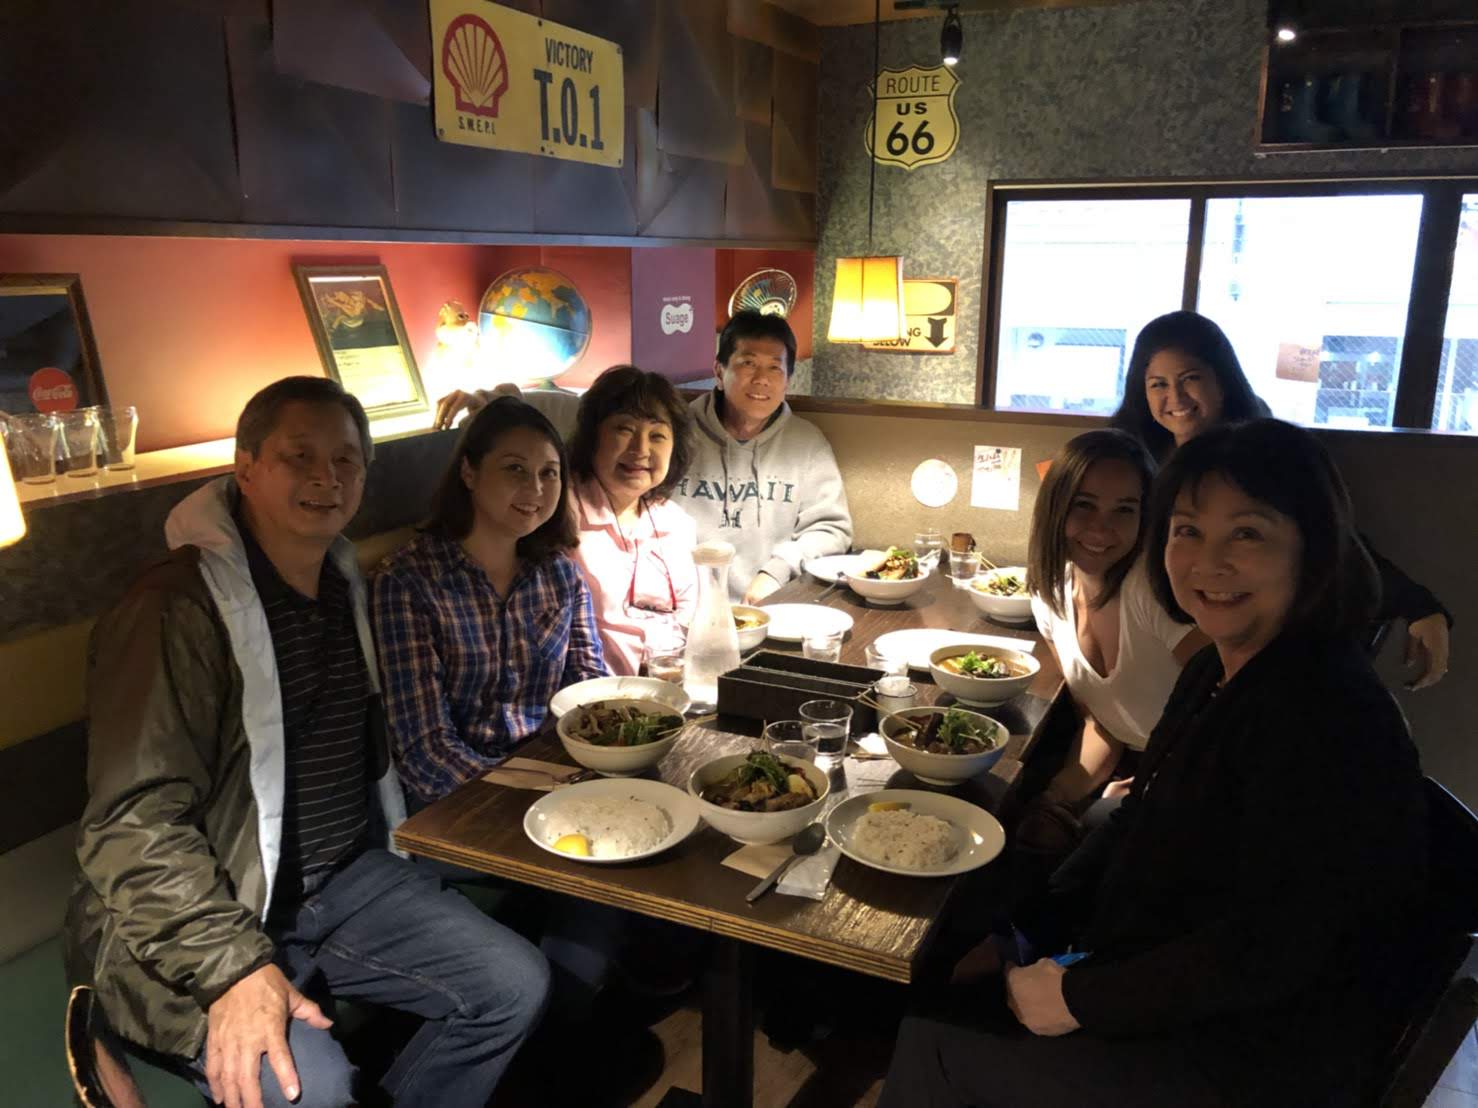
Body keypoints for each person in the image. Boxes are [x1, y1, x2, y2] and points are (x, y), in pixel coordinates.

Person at [880, 419, 1428, 1107]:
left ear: (1314, 548)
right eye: (1188, 530)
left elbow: (1274, 948)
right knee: (945, 983)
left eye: (1247, 534)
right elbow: (1137, 824)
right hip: (1170, 979)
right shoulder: (1215, 673)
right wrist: (1023, 936)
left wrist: (1079, 997)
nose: (1208, 563)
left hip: (1257, 1056)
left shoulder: (1324, 713)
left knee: (933, 1044)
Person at [63, 377, 549, 1108]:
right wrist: (231, 969)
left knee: (513, 984)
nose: (327, 477)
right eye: (299, 457)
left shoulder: (341, 580)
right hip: (208, 912)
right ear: (246, 467)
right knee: (307, 1091)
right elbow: (131, 827)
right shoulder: (174, 609)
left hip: (343, 881)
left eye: (346, 460)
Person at [1109, 309, 1451, 689]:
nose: (1175, 397)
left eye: (1191, 378)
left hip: (1248, 649)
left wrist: (1418, 606)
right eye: (1158, 384)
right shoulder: (1136, 459)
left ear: (1222, 380)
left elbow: (1336, 541)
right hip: (1153, 636)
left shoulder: (1267, 455)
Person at [432, 310, 853, 605]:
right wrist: (497, 401)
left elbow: (832, 527)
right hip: (682, 608)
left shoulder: (806, 443)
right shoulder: (672, 427)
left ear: (788, 378)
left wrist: (777, 570)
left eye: (775, 368)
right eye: (747, 363)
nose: (761, 379)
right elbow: (576, 412)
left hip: (766, 610)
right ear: (719, 370)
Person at [372, 395, 606, 804]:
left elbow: (588, 688)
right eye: (515, 468)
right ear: (469, 471)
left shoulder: (560, 573)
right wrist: (535, 787)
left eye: (549, 473)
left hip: (558, 776)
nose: (535, 488)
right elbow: (426, 748)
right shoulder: (409, 581)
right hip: (457, 800)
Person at [1022, 429, 1207, 821]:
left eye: (1124, 510)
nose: (1101, 528)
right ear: (1055, 506)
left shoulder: (1151, 591)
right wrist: (1057, 798)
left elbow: (1237, 709)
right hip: (1139, 774)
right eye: (1084, 505)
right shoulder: (1049, 593)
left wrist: (1155, 783)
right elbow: (1104, 725)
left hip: (1198, 785)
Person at [564, 365, 699, 675]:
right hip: (593, 692)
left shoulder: (676, 523)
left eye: (657, 435)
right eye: (624, 429)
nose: (641, 449)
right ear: (593, 437)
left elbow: (691, 620)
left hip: (672, 686)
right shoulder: (561, 513)